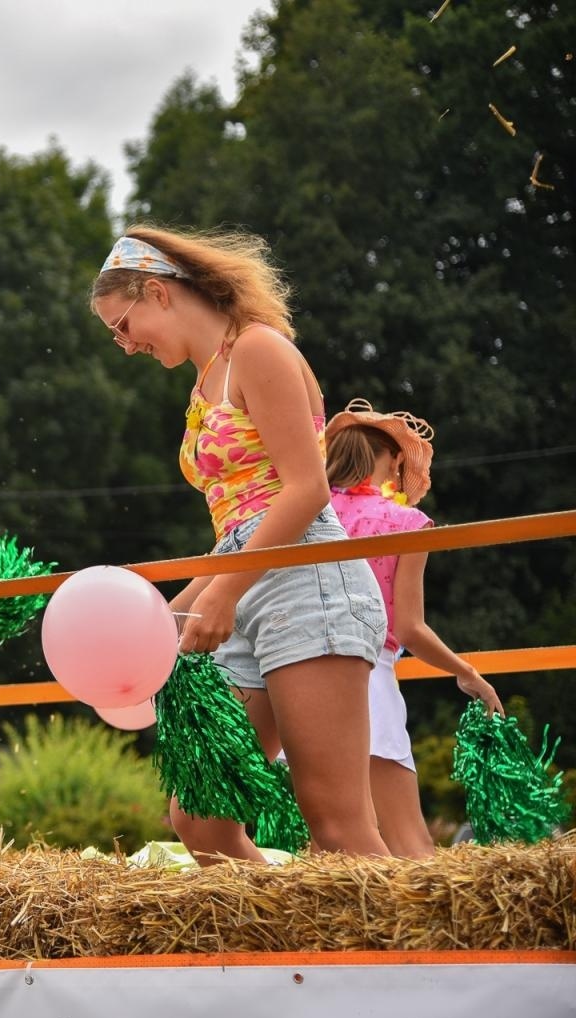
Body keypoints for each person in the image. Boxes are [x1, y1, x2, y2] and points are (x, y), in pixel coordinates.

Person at [90, 227, 389, 862]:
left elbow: (307, 491)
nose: (123, 345)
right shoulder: (203, 383)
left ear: (156, 293)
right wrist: (176, 609)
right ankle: (290, 950)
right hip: (247, 580)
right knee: (201, 818)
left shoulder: (258, 348)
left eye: (122, 324)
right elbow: (238, 528)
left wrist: (221, 592)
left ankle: (416, 961)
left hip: (309, 579)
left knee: (336, 824)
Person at [325, 398, 503, 857]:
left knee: (329, 849)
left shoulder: (306, 513)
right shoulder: (405, 523)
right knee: (410, 843)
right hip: (367, 677)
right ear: (396, 459)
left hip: (298, 679)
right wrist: (466, 671)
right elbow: (409, 627)